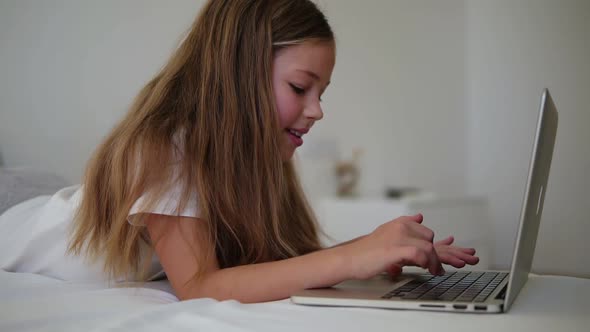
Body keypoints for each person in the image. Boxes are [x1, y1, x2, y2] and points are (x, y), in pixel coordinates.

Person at [0, 0, 478, 303]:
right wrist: (351, 260)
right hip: (18, 214)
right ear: (239, 75)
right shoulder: (166, 145)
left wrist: (377, 248)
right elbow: (199, 287)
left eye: (322, 92)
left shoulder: (255, 162)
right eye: (300, 87)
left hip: (57, 200)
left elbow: (274, 266)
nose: (317, 111)